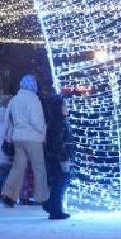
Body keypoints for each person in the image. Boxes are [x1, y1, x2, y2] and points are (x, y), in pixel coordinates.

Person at [0, 74, 50, 210]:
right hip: (33, 138)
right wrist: (43, 132)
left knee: (18, 167)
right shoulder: (33, 100)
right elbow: (36, 120)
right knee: (39, 167)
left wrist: (9, 135)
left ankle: (8, 194)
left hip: (18, 137)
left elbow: (8, 119)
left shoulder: (14, 100)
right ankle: (42, 197)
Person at [40, 82, 72, 220]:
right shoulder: (58, 123)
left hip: (57, 157)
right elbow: (59, 143)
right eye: (64, 105)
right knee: (59, 182)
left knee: (61, 182)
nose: (67, 108)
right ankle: (55, 209)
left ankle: (51, 205)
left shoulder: (60, 121)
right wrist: (63, 159)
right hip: (57, 158)